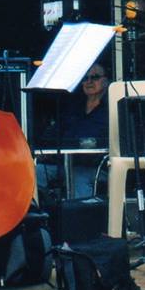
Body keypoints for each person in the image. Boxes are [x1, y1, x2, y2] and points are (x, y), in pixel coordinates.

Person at [37, 62, 110, 199]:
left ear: (105, 81)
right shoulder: (73, 107)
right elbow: (53, 132)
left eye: (94, 77)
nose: (89, 81)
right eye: (85, 78)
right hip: (64, 165)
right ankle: (42, 215)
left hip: (96, 168)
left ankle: (81, 219)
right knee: (35, 172)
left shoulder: (111, 109)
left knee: (78, 177)